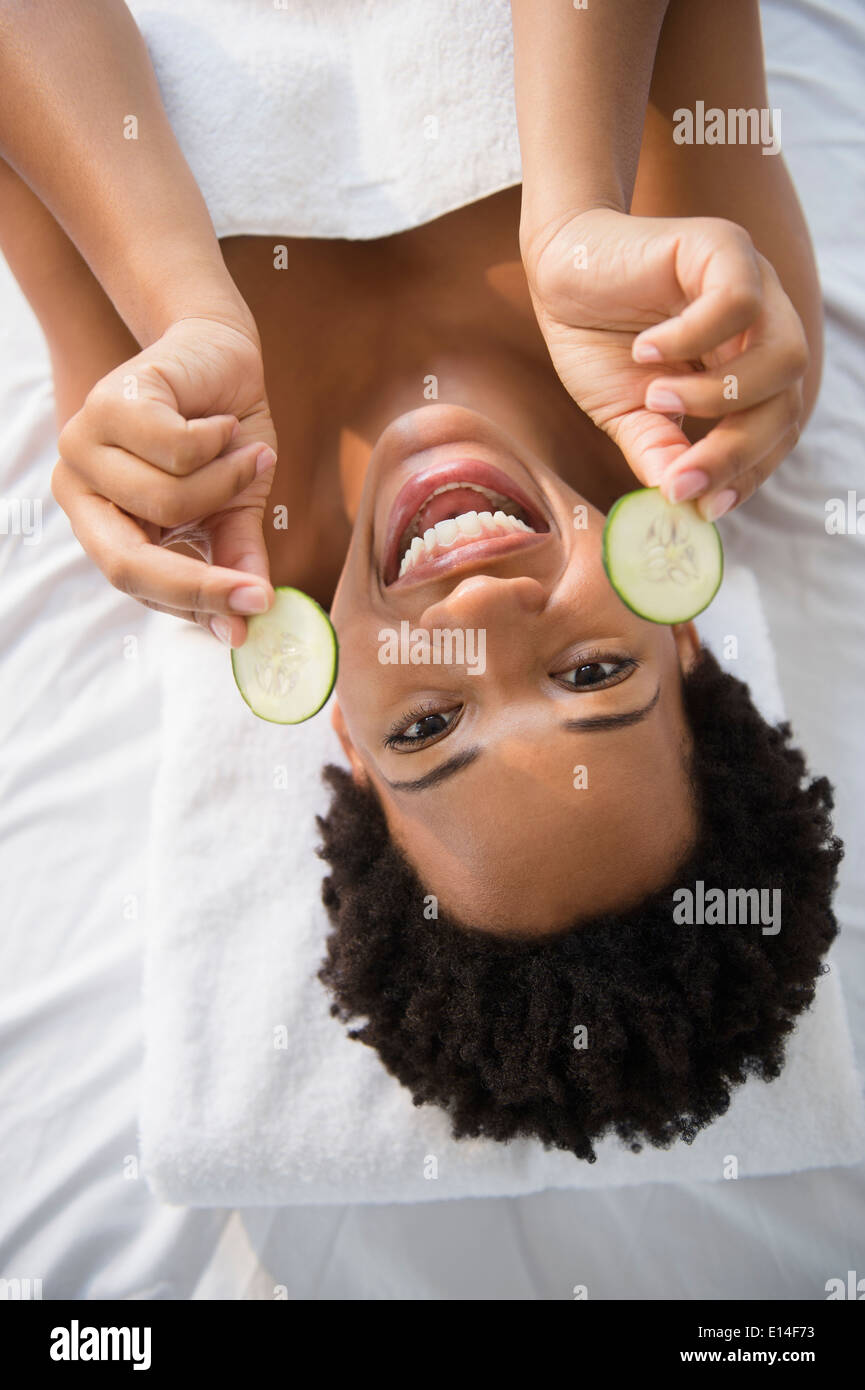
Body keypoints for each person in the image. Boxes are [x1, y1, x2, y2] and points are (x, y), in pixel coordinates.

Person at [0, 0, 840, 1159]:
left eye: (433, 723)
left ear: (346, 725)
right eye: (593, 670)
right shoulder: (710, 373)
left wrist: (179, 303)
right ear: (682, 631)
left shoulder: (184, 496)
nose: (487, 619)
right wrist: (573, 210)